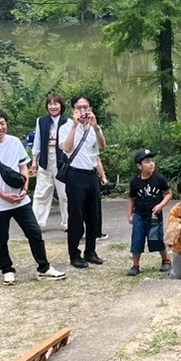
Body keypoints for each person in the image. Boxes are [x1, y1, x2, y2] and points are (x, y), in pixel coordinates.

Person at [0, 108, 65, 286]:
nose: (0, 127)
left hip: (21, 199)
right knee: (1, 238)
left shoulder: (15, 141)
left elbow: (23, 166)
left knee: (34, 232)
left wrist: (24, 189)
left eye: (3, 123)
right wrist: (4, 195)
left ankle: (44, 267)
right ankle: (7, 270)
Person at [58, 94, 105, 269]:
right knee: (76, 216)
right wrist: (74, 126)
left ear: (90, 109)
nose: (83, 111)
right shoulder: (65, 127)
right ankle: (74, 254)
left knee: (94, 215)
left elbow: (102, 147)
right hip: (75, 175)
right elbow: (66, 148)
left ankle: (90, 251)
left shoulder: (94, 127)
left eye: (86, 107)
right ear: (73, 110)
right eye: (79, 108)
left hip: (91, 175)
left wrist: (96, 128)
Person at [127, 148, 172, 277]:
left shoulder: (159, 179)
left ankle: (166, 260)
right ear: (139, 166)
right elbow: (131, 199)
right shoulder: (135, 182)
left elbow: (168, 193)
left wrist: (161, 205)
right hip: (139, 215)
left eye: (152, 161)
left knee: (157, 238)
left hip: (154, 216)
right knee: (137, 239)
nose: (151, 164)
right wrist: (129, 215)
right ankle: (135, 265)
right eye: (147, 162)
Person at [30, 93, 70, 231]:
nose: (53, 107)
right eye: (50, 104)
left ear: (61, 105)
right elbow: (37, 141)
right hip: (45, 159)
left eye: (56, 103)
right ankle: (37, 223)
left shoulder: (68, 122)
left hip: (62, 161)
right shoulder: (41, 121)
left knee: (65, 194)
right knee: (41, 193)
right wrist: (34, 160)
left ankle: (68, 222)